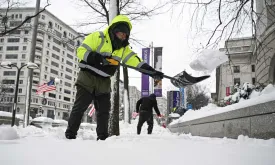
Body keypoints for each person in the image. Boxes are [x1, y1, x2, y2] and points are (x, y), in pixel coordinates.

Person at [65, 15, 164, 140]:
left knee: (104, 111)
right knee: (80, 107)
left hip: (104, 81)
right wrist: (97, 58)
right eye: (121, 33)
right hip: (87, 77)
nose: (123, 37)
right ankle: (70, 135)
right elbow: (81, 51)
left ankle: (102, 138)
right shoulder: (98, 37)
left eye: (125, 35)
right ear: (114, 30)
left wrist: (151, 71)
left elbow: (135, 61)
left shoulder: (123, 49)